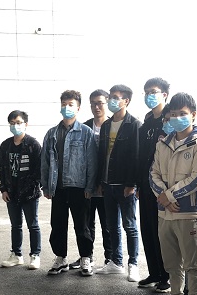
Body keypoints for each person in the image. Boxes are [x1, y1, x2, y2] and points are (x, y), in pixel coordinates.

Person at [149, 92, 197, 295]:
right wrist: (163, 197)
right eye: (173, 114)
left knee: (193, 264)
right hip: (165, 212)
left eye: (182, 114)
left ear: (193, 115)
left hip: (188, 213)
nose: (177, 118)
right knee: (171, 262)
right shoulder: (163, 142)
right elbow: (153, 173)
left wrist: (170, 196)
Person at [40, 89, 98, 276]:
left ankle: (86, 257)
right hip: (57, 187)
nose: (67, 108)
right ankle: (61, 258)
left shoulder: (86, 132)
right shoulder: (52, 133)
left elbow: (92, 161)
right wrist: (45, 185)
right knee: (57, 225)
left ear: (78, 108)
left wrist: (90, 186)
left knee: (82, 225)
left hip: (79, 187)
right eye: (64, 104)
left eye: (71, 104)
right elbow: (45, 162)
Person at [96, 84, 142, 281]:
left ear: (126, 101)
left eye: (116, 97)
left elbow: (136, 156)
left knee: (129, 225)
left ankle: (133, 264)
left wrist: (132, 183)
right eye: (111, 97)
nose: (112, 101)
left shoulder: (134, 125)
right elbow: (101, 155)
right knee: (111, 225)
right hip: (108, 184)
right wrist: (100, 181)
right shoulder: (106, 125)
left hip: (125, 185)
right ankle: (116, 262)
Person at [137, 79, 171, 292]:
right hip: (145, 183)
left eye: (154, 92)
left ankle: (167, 275)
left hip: (164, 185)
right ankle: (154, 272)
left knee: (163, 232)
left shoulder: (170, 119)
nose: (149, 96)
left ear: (164, 94)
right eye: (146, 92)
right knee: (148, 229)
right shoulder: (148, 120)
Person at [0, 110, 42, 270]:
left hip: (29, 193)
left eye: (18, 122)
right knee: (15, 225)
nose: (15, 126)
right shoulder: (5, 145)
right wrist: (3, 189)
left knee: (33, 225)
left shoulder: (33, 144)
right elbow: (1, 169)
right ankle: (16, 255)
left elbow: (39, 170)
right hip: (11, 192)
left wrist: (32, 187)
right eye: (12, 123)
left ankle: (35, 255)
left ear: (25, 124)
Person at [81, 89, 113, 269]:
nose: (96, 107)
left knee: (107, 224)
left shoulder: (112, 126)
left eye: (100, 103)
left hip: (106, 184)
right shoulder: (85, 127)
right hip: (87, 184)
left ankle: (110, 258)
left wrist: (102, 181)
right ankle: (88, 256)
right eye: (93, 103)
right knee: (87, 223)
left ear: (106, 103)